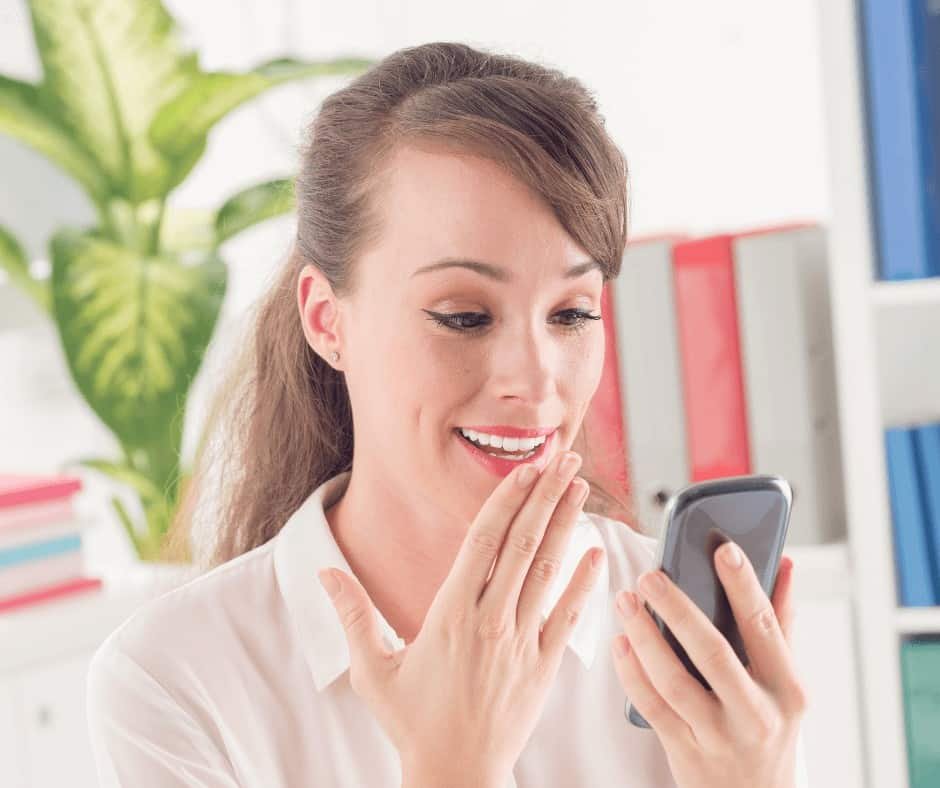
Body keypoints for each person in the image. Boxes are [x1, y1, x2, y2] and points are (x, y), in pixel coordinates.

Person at [85, 41, 810, 788]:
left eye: (571, 313)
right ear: (328, 321)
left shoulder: (681, 639)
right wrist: (452, 769)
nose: (535, 380)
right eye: (463, 315)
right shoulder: (174, 682)